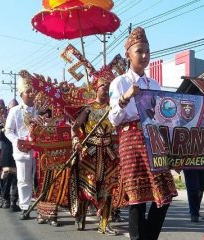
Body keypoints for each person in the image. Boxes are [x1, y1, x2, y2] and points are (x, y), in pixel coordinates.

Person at [108, 27, 177, 240]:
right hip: (131, 141)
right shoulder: (119, 82)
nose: (144, 55)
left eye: (147, 51)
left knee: (165, 195)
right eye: (139, 51)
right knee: (137, 199)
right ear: (128, 54)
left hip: (154, 140)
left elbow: (164, 117)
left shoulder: (154, 84)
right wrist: (125, 98)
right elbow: (113, 119)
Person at [71, 67, 119, 235]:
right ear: (96, 88)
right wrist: (76, 140)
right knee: (87, 187)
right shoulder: (88, 109)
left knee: (109, 188)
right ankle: (81, 217)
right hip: (90, 153)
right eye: (103, 86)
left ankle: (105, 223)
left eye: (108, 86)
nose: (106, 89)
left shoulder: (113, 108)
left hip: (108, 154)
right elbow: (75, 127)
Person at [5, 76, 37, 220]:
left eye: (33, 91)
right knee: (24, 179)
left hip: (39, 149)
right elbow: (8, 130)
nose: (31, 94)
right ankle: (25, 207)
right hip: (22, 150)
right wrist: (18, 142)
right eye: (28, 91)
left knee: (39, 178)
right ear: (21, 94)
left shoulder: (40, 109)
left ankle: (44, 209)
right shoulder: (15, 111)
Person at [0, 99, 21, 212]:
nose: (14, 109)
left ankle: (14, 201)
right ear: (8, 109)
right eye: (12, 107)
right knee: (7, 177)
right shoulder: (3, 121)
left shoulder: (22, 118)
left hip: (19, 150)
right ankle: (5, 199)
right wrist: (1, 128)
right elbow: (0, 137)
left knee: (17, 179)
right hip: (7, 151)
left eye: (16, 107)